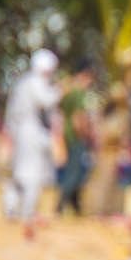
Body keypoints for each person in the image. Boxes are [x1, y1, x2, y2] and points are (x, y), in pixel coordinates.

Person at [1, 49, 63, 238]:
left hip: (23, 133)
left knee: (21, 174)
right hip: (30, 134)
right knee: (31, 176)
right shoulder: (34, 82)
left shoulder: (23, 83)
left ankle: (14, 209)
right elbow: (47, 100)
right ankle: (26, 214)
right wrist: (62, 89)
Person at [55, 61, 97, 216]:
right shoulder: (78, 92)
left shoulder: (68, 91)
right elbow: (78, 117)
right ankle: (60, 206)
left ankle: (75, 207)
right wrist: (86, 134)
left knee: (75, 170)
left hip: (67, 133)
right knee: (75, 172)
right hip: (75, 135)